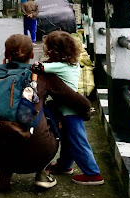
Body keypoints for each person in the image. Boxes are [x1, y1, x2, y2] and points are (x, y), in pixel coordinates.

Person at [0, 34, 92, 192]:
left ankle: (4, 172)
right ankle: (42, 172)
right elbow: (77, 101)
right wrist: (86, 111)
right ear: (32, 55)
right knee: (50, 112)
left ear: (6, 54)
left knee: (3, 120)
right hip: (37, 154)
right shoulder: (43, 76)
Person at [32, 31, 104, 186]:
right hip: (70, 110)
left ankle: (93, 173)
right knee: (68, 139)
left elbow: (38, 67)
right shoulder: (72, 64)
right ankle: (64, 165)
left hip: (70, 111)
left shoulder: (58, 67)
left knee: (77, 141)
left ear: (54, 51)